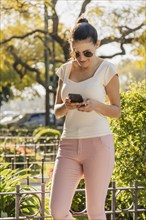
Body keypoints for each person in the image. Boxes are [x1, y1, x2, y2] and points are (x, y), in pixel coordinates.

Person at [50, 15, 121, 220]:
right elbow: (57, 111)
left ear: (97, 44)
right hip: (68, 145)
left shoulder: (107, 69)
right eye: (76, 53)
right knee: (58, 211)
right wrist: (67, 105)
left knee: (95, 211)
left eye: (87, 52)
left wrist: (96, 106)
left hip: (98, 145)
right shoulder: (64, 70)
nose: (81, 58)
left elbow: (116, 111)